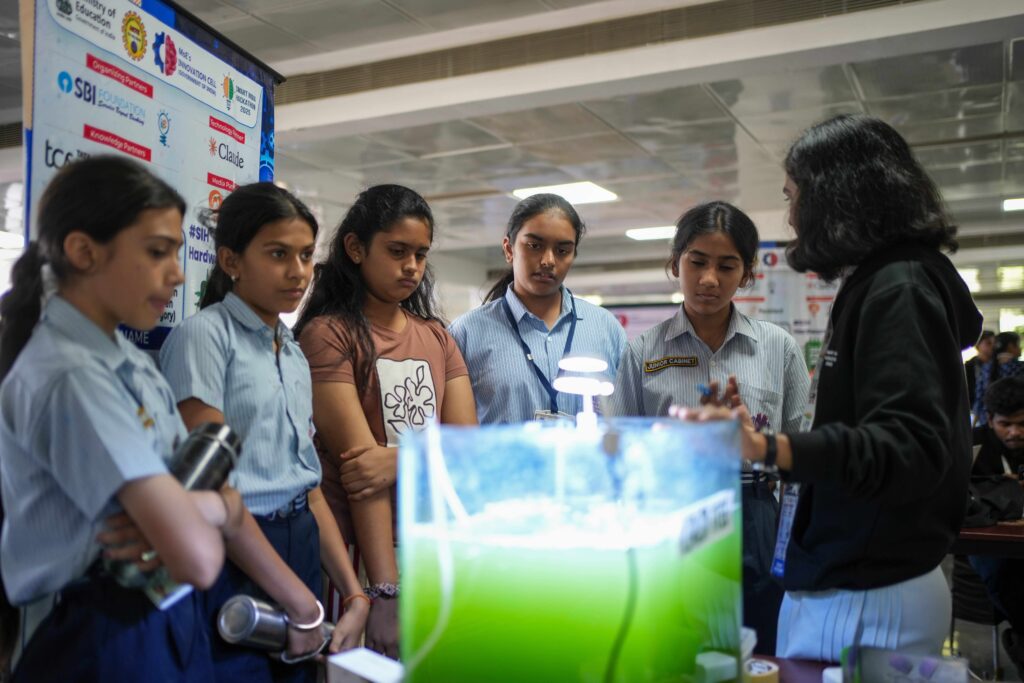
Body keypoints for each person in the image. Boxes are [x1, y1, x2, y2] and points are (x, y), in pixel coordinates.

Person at [677, 114, 981, 661]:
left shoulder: (900, 286)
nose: (791, 214)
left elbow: (909, 446)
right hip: (854, 579)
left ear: (833, 196)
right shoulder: (881, 282)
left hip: (868, 591)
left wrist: (766, 448)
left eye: (794, 196)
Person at [0, 156, 245, 681]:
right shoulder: (70, 376)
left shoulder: (131, 361)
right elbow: (199, 559)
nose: (178, 273)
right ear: (84, 252)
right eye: (157, 252)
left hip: (157, 612)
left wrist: (203, 507)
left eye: (177, 252)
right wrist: (220, 511)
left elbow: (194, 502)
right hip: (94, 629)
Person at [159, 184, 368, 682]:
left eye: (304, 256)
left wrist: (353, 594)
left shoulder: (290, 350)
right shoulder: (204, 337)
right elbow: (210, 483)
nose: (297, 272)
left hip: (300, 541)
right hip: (236, 550)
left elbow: (308, 486)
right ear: (231, 259)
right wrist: (301, 603)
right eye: (278, 254)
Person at [612, 201, 809, 654]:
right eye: (697, 262)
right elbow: (621, 448)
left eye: (727, 265)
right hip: (673, 511)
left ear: (746, 272)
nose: (709, 280)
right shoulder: (641, 350)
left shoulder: (777, 348)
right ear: (675, 262)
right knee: (680, 647)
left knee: (761, 647)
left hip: (757, 511)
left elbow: (799, 448)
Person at [294, 184, 477, 659]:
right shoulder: (328, 335)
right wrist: (384, 592)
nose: (412, 266)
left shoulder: (437, 337)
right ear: (356, 249)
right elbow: (361, 477)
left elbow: (468, 451)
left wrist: (397, 461)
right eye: (397, 252)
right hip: (355, 559)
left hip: (426, 544)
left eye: (420, 254)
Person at [449, 193, 627, 423]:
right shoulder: (467, 333)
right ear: (509, 249)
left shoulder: (606, 329)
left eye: (562, 250)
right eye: (534, 246)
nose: (548, 260)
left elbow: (625, 418)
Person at [967, 376, 1024, 675]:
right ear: (990, 420)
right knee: (1007, 577)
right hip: (989, 545)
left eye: (1022, 424)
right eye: (1006, 424)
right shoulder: (972, 447)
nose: (1015, 432)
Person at [974, 332, 1024, 426]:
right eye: (1018, 345)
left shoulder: (986, 367)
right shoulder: (1020, 367)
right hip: (1017, 421)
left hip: (990, 421)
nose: (1020, 348)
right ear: (1010, 346)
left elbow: (979, 398)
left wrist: (975, 424)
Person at [965, 330, 994, 409]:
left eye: (994, 343)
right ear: (978, 344)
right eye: (988, 343)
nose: (993, 346)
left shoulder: (997, 364)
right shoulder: (969, 366)